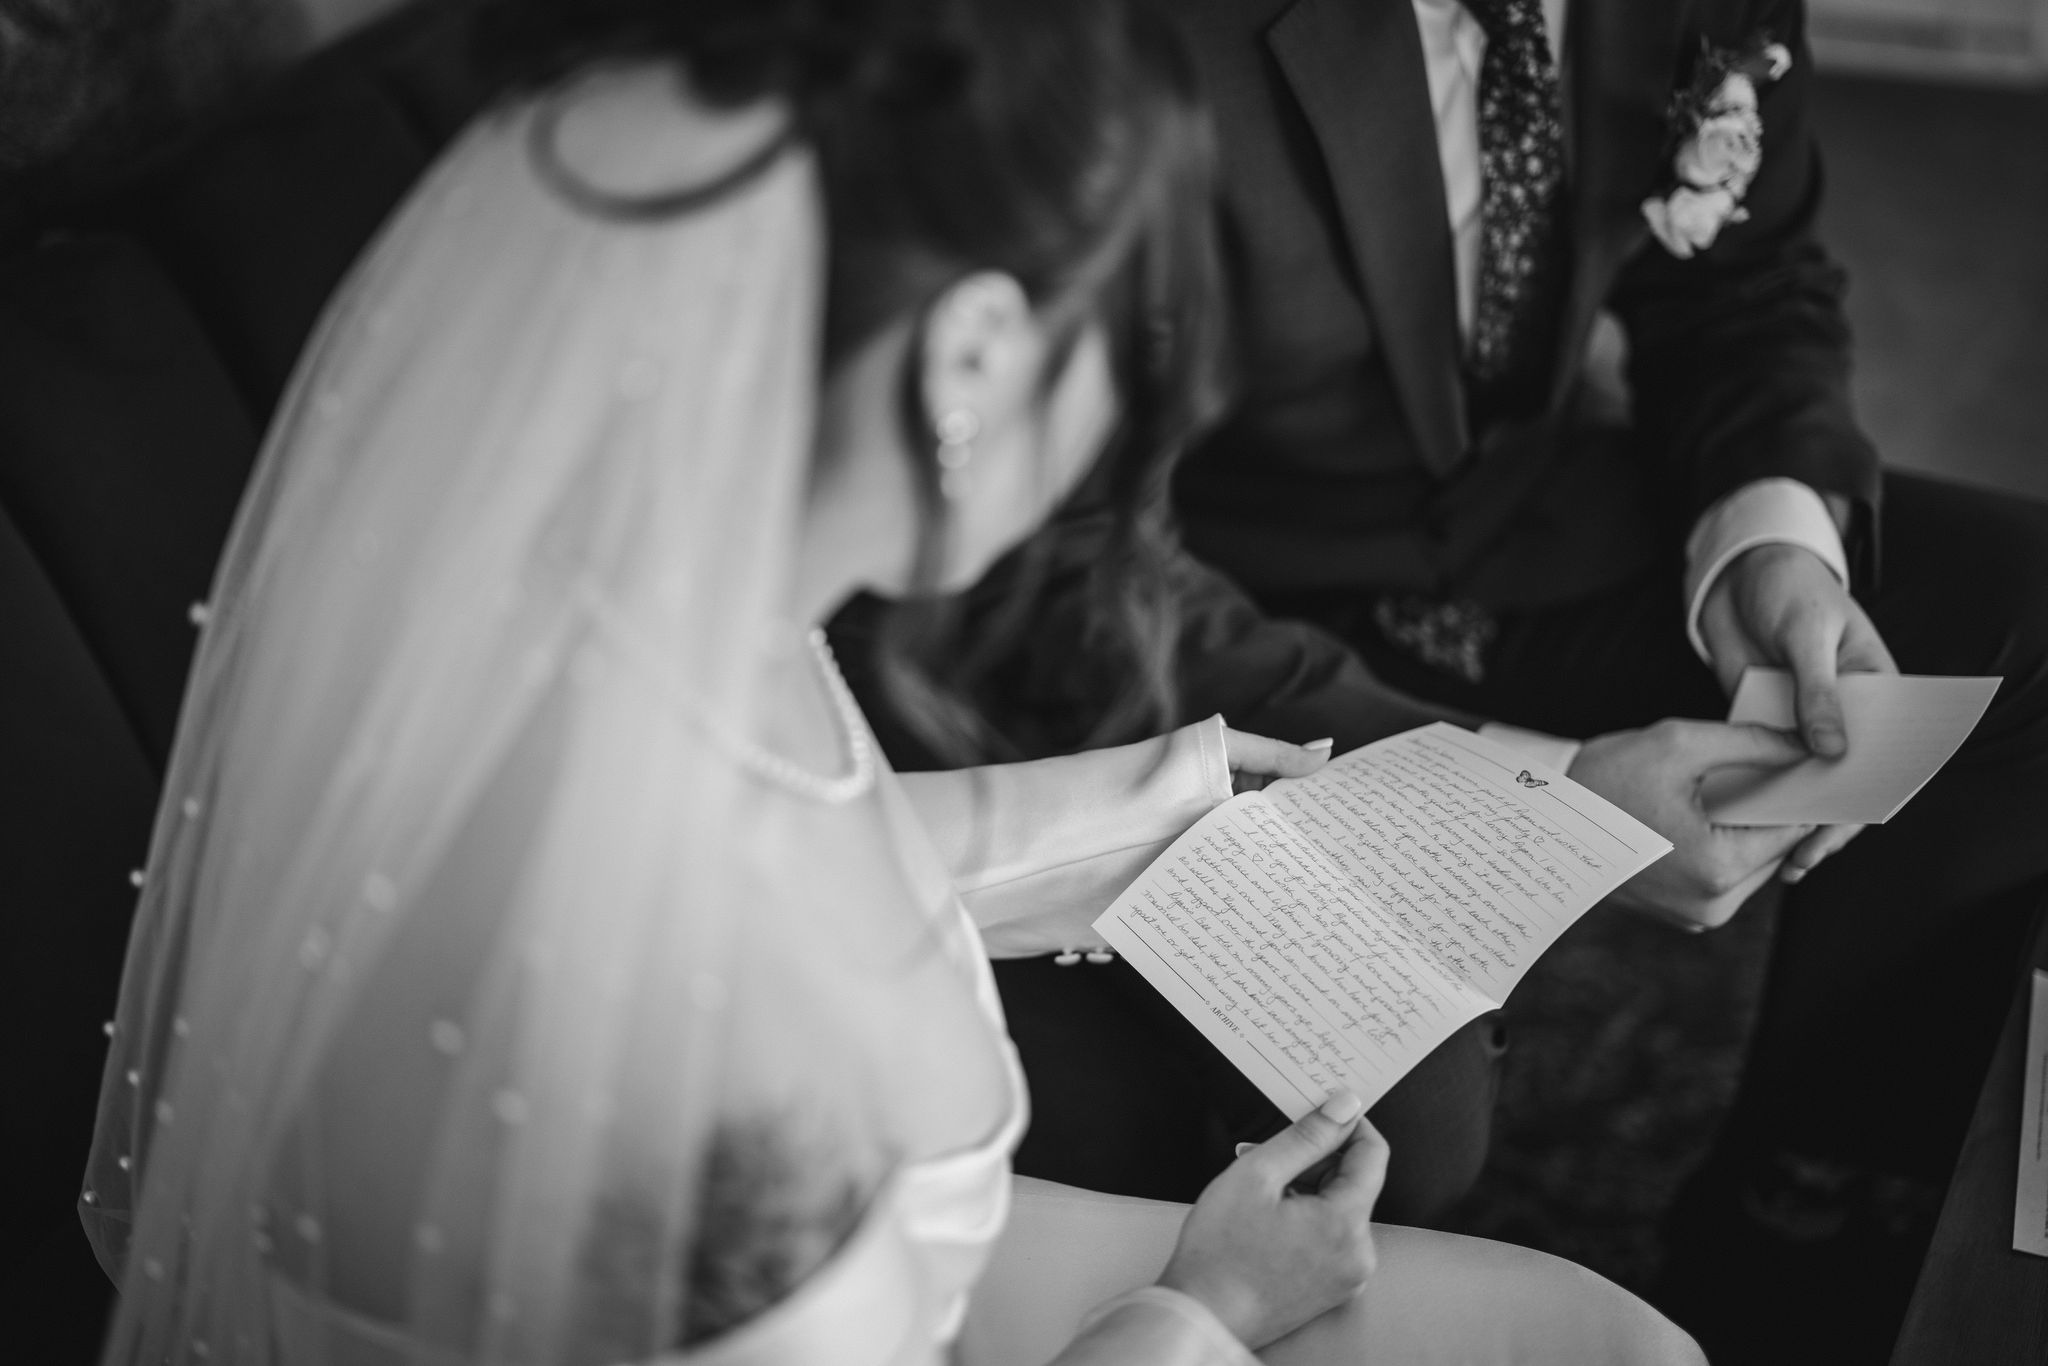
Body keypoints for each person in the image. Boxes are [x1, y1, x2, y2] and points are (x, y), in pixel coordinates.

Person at [76, 1, 1706, 1362]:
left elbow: (746, 834)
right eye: (1125, 368)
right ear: (973, 360)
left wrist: (1179, 796)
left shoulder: (610, 578)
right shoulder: (753, 1079)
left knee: (1604, 1341)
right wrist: (1202, 1310)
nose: (1125, 455)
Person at [840, 0, 2048, 1355]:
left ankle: (1810, 1202)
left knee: (2015, 607)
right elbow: (1060, 556)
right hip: (1206, 586)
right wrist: (1545, 809)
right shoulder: (1119, 47)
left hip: (1529, 510)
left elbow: (1744, 279)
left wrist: (1774, 539)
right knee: (1402, 1128)